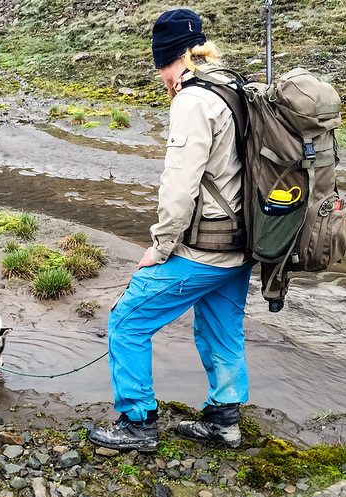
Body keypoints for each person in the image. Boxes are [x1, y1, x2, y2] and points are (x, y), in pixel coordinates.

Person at [88, 8, 253, 452]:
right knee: (222, 329)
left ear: (167, 59)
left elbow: (178, 189)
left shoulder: (192, 100)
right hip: (245, 245)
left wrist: (159, 248)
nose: (160, 76)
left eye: (159, 64)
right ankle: (224, 422)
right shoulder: (233, 87)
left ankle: (137, 423)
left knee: (126, 322)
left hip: (205, 249)